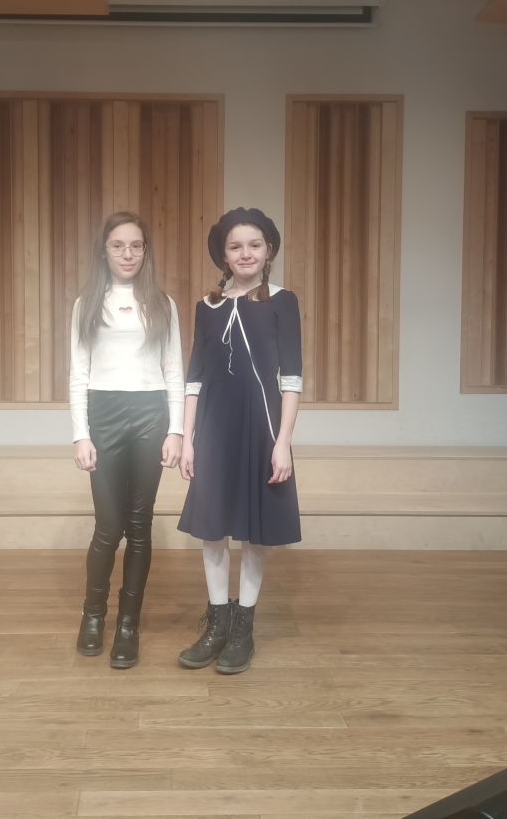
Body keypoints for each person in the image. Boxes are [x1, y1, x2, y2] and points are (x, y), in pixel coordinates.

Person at [177, 207, 302, 674]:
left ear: (268, 251)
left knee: (253, 532)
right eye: (235, 246)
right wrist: (188, 439)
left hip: (261, 428)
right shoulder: (206, 307)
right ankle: (217, 624)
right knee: (212, 530)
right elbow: (194, 378)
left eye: (254, 244)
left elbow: (291, 379)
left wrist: (282, 442)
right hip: (214, 429)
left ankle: (243, 629)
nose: (245, 253)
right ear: (224, 255)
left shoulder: (283, 301)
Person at [69, 211, 184, 669]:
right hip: (105, 415)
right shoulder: (86, 304)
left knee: (139, 525)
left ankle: (128, 624)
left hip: (151, 415)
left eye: (136, 245)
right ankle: (93, 615)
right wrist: (81, 435)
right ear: (105, 251)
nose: (128, 253)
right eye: (118, 245)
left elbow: (174, 370)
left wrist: (176, 430)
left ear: (145, 251)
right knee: (108, 525)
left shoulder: (162, 304)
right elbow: (78, 374)